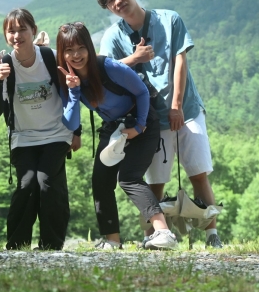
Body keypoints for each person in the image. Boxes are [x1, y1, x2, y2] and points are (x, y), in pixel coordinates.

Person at [97, 0, 222, 248]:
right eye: (110, 2)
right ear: (108, 8)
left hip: (186, 109)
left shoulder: (169, 19)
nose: (118, 3)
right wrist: (136, 58)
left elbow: (180, 61)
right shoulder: (114, 36)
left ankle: (212, 236)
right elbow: (105, 70)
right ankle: (151, 236)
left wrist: (176, 105)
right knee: (155, 182)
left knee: (199, 173)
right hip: (151, 119)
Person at [56, 22, 177, 250]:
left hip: (142, 124)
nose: (75, 55)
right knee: (101, 182)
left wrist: (139, 127)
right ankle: (112, 241)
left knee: (129, 178)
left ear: (89, 48)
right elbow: (71, 122)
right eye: (68, 50)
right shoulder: (68, 79)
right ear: (61, 54)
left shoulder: (108, 66)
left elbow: (141, 92)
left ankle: (164, 233)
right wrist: (73, 91)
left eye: (80, 48)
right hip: (113, 128)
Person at [0, 8, 81, 250]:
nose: (17, 35)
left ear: (33, 31)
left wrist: (76, 132)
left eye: (22, 30)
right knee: (27, 184)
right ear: (5, 35)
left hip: (57, 133)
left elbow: (70, 94)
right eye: (11, 31)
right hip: (24, 136)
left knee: (47, 182)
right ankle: (17, 244)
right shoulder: (5, 65)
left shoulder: (49, 58)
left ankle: (51, 244)